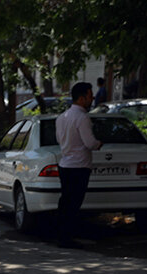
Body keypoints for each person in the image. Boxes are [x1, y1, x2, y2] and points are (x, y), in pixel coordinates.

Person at [54, 81, 101, 248]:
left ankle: (62, 235)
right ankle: (68, 237)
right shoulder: (82, 118)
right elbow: (89, 143)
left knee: (66, 201)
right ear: (81, 98)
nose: (92, 99)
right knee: (74, 203)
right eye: (89, 96)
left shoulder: (62, 117)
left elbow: (60, 140)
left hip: (65, 164)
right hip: (79, 166)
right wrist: (98, 143)